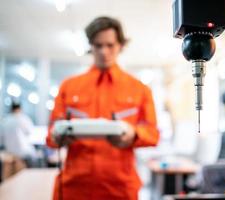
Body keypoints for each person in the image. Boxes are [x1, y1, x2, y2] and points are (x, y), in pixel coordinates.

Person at [46, 16, 160, 200]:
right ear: (90, 45)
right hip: (74, 188)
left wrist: (133, 134)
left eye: (110, 45)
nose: (104, 51)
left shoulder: (140, 90)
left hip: (120, 189)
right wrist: (59, 136)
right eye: (98, 45)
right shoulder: (68, 87)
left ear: (121, 45)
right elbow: (51, 136)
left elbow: (153, 134)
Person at [2, 102, 37, 167]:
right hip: (22, 154)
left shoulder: (5, 121)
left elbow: (2, 138)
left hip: (9, 152)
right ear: (20, 109)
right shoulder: (24, 119)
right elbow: (30, 132)